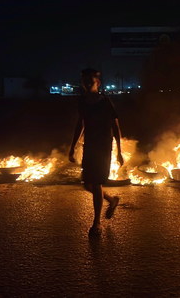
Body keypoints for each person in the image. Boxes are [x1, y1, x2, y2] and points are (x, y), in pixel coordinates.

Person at [69, 68, 123, 237]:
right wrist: (72, 147)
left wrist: (120, 152)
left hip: (103, 147)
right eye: (84, 81)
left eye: (90, 81)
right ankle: (111, 200)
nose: (86, 84)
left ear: (97, 83)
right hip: (89, 146)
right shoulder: (83, 102)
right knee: (87, 184)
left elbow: (116, 127)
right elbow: (80, 124)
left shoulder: (105, 101)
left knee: (97, 183)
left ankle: (96, 223)